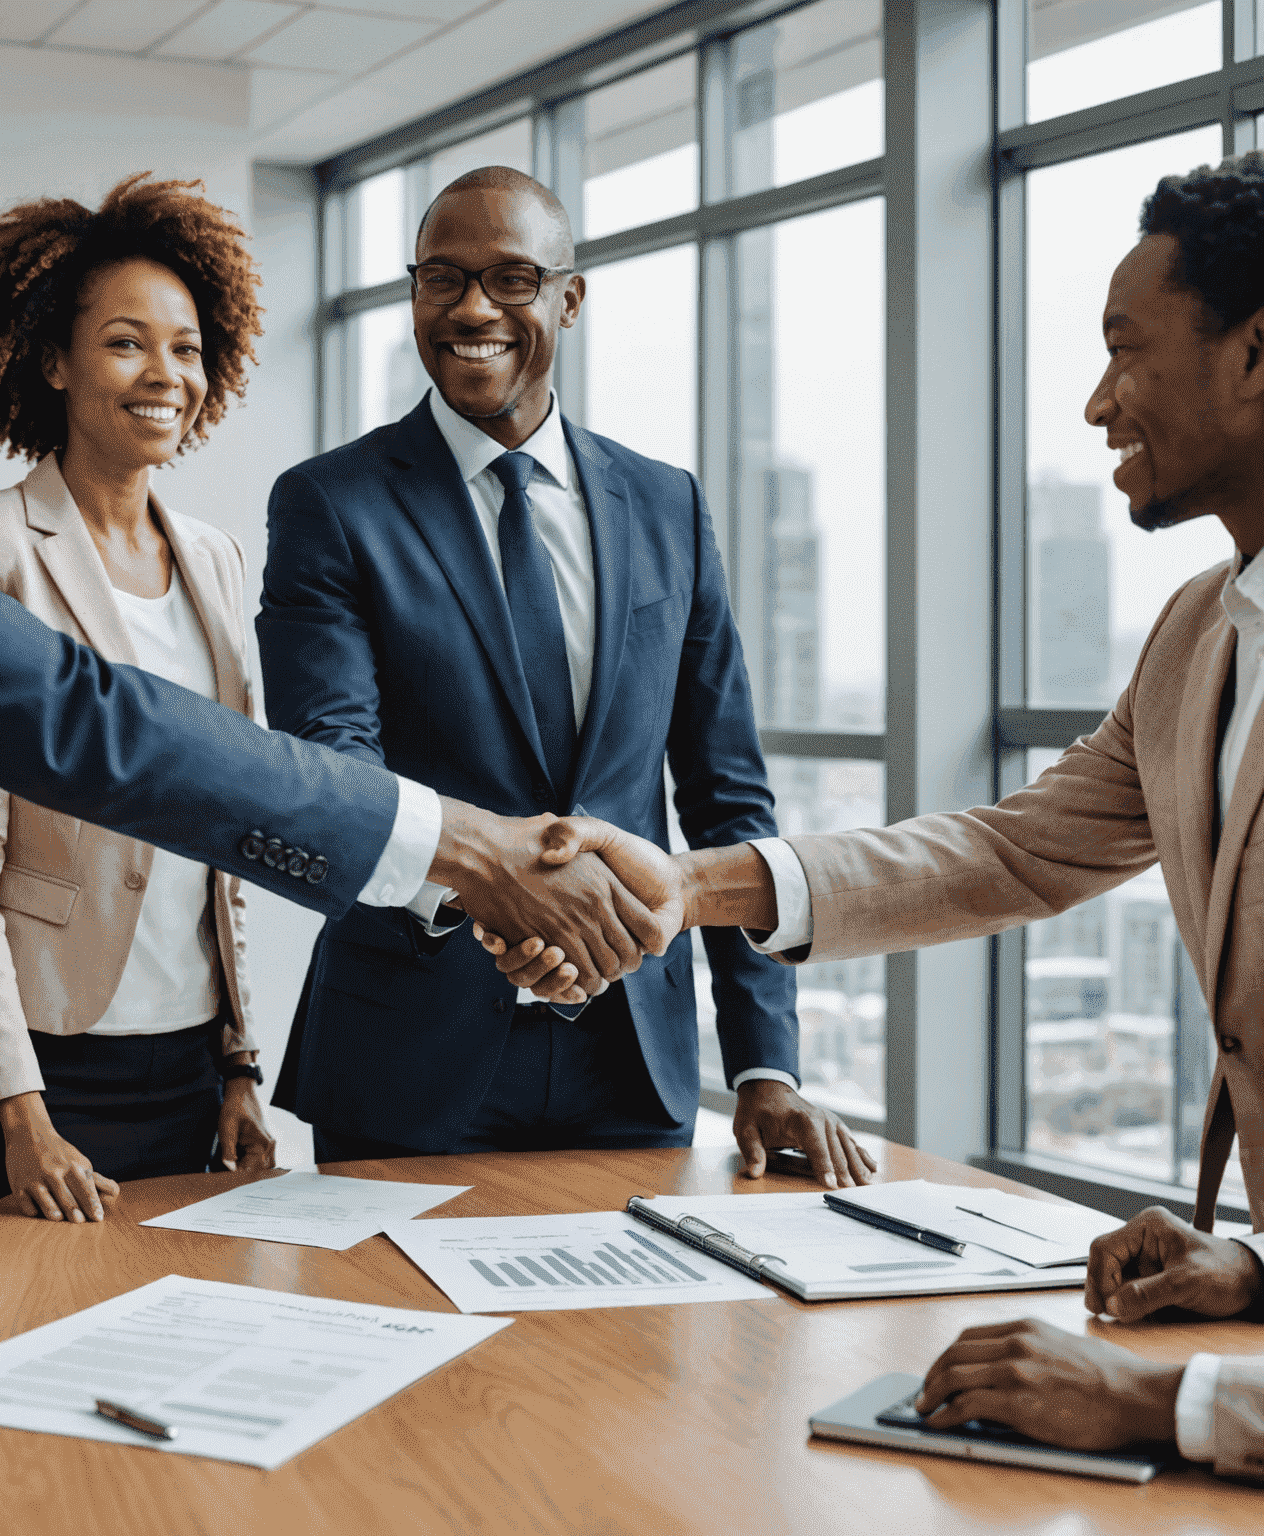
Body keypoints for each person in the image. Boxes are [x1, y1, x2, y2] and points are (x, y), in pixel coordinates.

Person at [0, 78, 669, 1448]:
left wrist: (241, 1052)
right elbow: (82, 726)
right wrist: (459, 850)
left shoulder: (205, 550)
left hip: (138, 1064)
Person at [506, 152, 1264, 1476]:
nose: (1096, 404)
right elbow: (1009, 851)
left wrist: (1165, 1404)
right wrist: (689, 888)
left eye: (1126, 353)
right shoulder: (1204, 633)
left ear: (1254, 358)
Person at [257, 166, 874, 1181]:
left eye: (509, 278)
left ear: (568, 299)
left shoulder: (666, 505)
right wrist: (488, 897)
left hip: (632, 1063)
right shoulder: (331, 505)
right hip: (411, 1052)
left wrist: (768, 1064)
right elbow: (336, 776)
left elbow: (726, 796)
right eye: (441, 278)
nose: (470, 309)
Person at [0, 175, 278, 1226]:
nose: (164, 374)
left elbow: (231, 831)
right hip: (41, 1062)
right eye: (127, 343)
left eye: (185, 347)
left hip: (187, 1064)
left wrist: (240, 1064)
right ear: (51, 360)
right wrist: (18, 1111)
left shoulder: (214, 559)